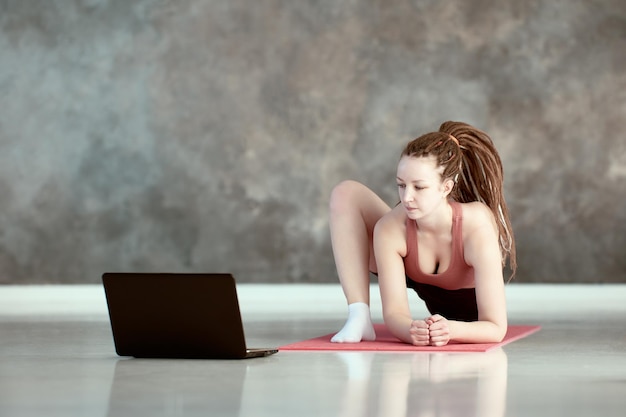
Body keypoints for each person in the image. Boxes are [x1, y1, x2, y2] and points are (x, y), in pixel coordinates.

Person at [329, 121, 516, 346]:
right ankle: (358, 314)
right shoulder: (390, 228)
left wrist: (451, 329)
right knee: (345, 193)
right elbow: (395, 315)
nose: (406, 197)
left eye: (419, 187)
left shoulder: (476, 226)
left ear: (446, 187)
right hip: (423, 288)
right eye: (401, 185)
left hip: (472, 318)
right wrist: (410, 330)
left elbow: (496, 328)